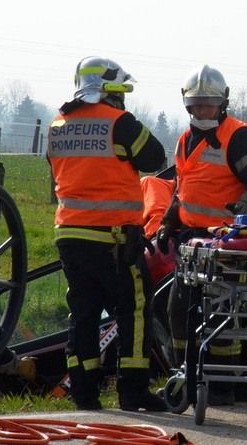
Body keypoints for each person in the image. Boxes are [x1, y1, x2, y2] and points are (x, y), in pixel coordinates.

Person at [48, 56, 167, 412]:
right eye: (120, 92)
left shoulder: (57, 125)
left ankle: (84, 394)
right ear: (108, 91)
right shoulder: (120, 123)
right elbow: (155, 159)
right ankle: (133, 391)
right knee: (134, 309)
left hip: (69, 235)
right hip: (113, 238)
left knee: (83, 313)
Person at [157, 65, 247, 405]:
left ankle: (222, 386)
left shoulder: (238, 135)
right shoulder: (185, 139)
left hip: (227, 241)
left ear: (222, 102)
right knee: (179, 308)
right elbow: (183, 188)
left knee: (222, 313)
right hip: (192, 241)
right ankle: (186, 377)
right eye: (196, 104)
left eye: (208, 104)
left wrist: (244, 206)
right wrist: (167, 221)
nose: (202, 110)